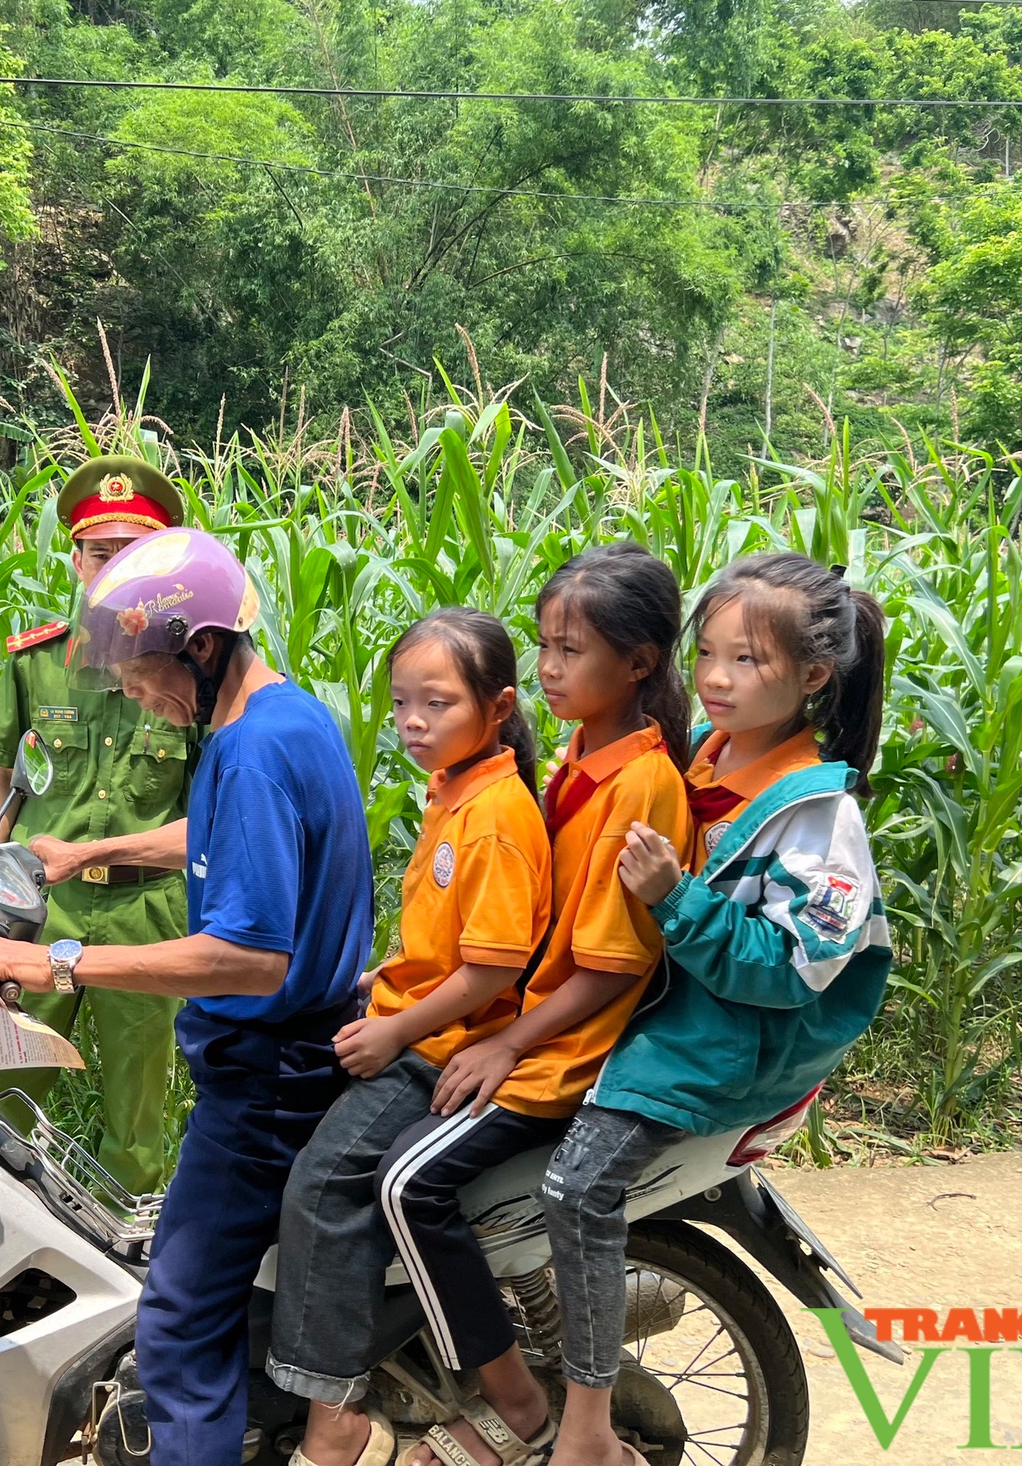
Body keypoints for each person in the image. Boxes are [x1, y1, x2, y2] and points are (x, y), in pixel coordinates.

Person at [0, 526, 375, 1466]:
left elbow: (247, 957)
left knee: (179, 1325)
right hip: (295, 1053)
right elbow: (221, 836)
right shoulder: (286, 720)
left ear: (199, 646)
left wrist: (61, 962)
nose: (134, 694)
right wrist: (92, 851)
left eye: (140, 671)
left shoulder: (250, 753)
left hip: (267, 1077)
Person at [534, 552, 892, 1466]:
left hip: (722, 1045)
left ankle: (583, 1425)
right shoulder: (712, 753)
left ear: (814, 678)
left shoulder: (818, 815)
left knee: (577, 1190)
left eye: (749, 662)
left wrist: (674, 898)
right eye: (710, 656)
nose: (719, 680)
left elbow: (789, 968)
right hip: (666, 1010)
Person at [368, 546, 695, 1466]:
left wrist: (507, 1043)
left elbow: (609, 966)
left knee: (406, 1186)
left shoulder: (644, 785)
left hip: (566, 1046)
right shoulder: (580, 756)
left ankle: (508, 1400)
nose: (549, 667)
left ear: (637, 664)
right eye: (546, 646)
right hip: (526, 1024)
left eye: (572, 650)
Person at [265, 608, 553, 1466]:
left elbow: (490, 971)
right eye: (400, 705)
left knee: (323, 1188)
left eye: (438, 703)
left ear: (498, 708)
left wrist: (393, 1033)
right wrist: (380, 981)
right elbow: (446, 941)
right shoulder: (456, 792)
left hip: (444, 1043)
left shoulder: (495, 814)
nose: (414, 723)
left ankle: (333, 1416)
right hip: (419, 1020)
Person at [0, 456, 198, 1193]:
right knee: (6, 1085)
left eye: (135, 552)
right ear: (74, 559)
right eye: (102, 552)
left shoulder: (189, 670)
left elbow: (212, 808)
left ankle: (128, 1258)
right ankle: (3, 1239)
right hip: (45, 908)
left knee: (137, 1105)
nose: (115, 567)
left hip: (148, 910)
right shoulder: (36, 663)